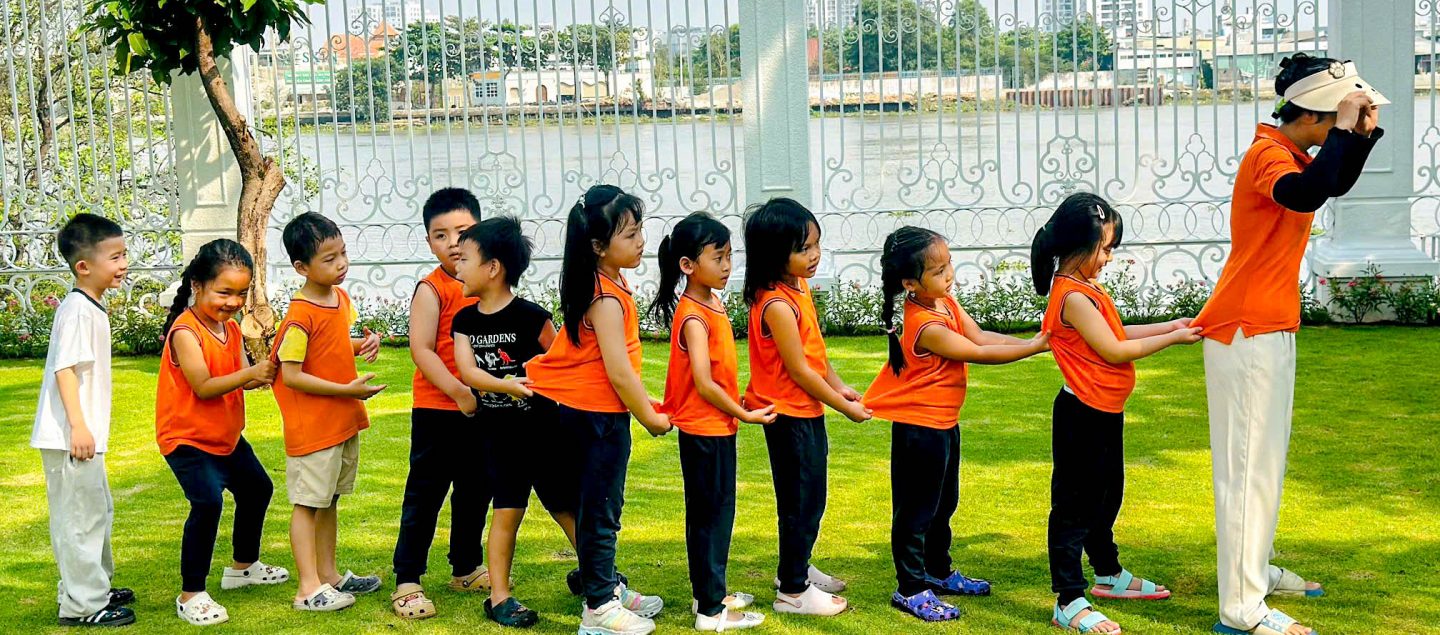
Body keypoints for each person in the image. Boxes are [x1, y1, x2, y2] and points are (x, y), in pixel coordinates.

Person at [1193, 53, 1385, 635]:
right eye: (1335, 117)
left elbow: (1331, 182)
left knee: (1264, 467)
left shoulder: (1292, 153)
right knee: (1247, 471)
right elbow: (1305, 194)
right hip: (1246, 329)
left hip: (1267, 326)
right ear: (1312, 116)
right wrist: (1347, 131)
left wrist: (1360, 135)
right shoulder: (1267, 155)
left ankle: (1253, 573)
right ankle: (1241, 608)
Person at [1032, 193, 1202, 634]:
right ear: (1078, 245)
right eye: (1105, 248)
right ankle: (1068, 599)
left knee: (1106, 497)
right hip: (1081, 416)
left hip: (1105, 411)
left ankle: (1107, 572)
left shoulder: (1088, 288)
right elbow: (1114, 349)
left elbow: (1116, 332)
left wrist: (1172, 325)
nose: (1109, 257)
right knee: (1073, 507)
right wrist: (1173, 340)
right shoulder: (1071, 295)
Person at [864, 226, 1050, 622]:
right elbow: (975, 352)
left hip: (944, 424)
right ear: (910, 283)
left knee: (943, 503)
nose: (949, 275)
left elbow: (980, 336)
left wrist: (1032, 342)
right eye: (938, 271)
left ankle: (938, 570)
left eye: (949, 264)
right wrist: (1033, 348)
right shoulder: (924, 325)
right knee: (916, 512)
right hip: (920, 430)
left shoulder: (945, 302)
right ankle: (910, 588)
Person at [526, 185, 671, 635]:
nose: (641, 241)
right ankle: (600, 610)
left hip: (580, 413)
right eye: (630, 235)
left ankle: (605, 588)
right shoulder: (605, 297)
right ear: (598, 246)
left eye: (640, 230)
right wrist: (651, 418)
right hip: (594, 419)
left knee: (594, 509)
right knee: (602, 511)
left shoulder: (604, 284)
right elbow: (619, 373)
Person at [450, 216, 584, 628]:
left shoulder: (532, 317)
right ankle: (500, 597)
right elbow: (467, 372)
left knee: (566, 507)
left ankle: (598, 577)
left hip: (545, 435)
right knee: (507, 511)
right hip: (500, 439)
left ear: (493, 267)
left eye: (465, 258)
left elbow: (562, 362)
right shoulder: (465, 322)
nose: (457, 265)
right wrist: (506, 386)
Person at [741, 197, 868, 617]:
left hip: (805, 410)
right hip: (788, 415)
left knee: (811, 498)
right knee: (800, 502)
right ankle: (793, 591)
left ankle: (796, 567)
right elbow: (798, 370)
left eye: (816, 244)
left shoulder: (798, 288)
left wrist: (840, 386)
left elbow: (816, 354)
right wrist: (843, 407)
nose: (814, 255)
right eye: (803, 249)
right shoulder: (776, 303)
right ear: (775, 254)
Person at [650, 212, 772, 632]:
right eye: (717, 257)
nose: (726, 266)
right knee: (710, 518)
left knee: (716, 515)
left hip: (718, 427)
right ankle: (710, 610)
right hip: (704, 430)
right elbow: (703, 383)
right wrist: (744, 412)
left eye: (729, 256)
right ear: (687, 265)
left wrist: (737, 405)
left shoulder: (711, 303)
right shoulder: (693, 316)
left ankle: (709, 593)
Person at [156, 239, 288, 626]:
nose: (233, 302)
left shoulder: (228, 328)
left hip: (225, 436)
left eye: (241, 293)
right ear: (197, 285)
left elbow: (241, 377)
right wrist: (250, 373)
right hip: (187, 439)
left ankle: (243, 568)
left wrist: (271, 367)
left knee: (257, 489)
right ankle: (190, 594)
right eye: (224, 292)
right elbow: (204, 385)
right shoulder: (185, 331)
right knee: (208, 503)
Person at [270, 212, 387, 612]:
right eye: (329, 258)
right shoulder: (299, 316)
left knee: (329, 499)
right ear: (301, 267)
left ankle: (329, 575)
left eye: (343, 254)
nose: (341, 264)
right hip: (314, 427)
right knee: (308, 505)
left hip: (340, 421)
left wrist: (363, 344)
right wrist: (346, 390)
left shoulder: (339, 299)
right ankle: (308, 589)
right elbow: (291, 374)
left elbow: (331, 345)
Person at [32, 213, 137, 627]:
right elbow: (65, 370)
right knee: (79, 519)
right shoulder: (77, 310)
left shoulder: (91, 307)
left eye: (124, 254)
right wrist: (77, 426)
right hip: (70, 436)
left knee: (96, 512)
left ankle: (95, 586)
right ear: (83, 266)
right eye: (115, 257)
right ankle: (83, 605)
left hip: (84, 435)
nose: (123, 264)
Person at [391, 188, 490, 620]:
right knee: (425, 495)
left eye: (462, 232)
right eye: (440, 235)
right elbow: (422, 350)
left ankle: (465, 566)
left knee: (476, 491)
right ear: (429, 241)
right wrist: (459, 392)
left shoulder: (487, 282)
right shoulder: (432, 289)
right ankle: (407, 579)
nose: (452, 243)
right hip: (439, 410)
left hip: (483, 410)